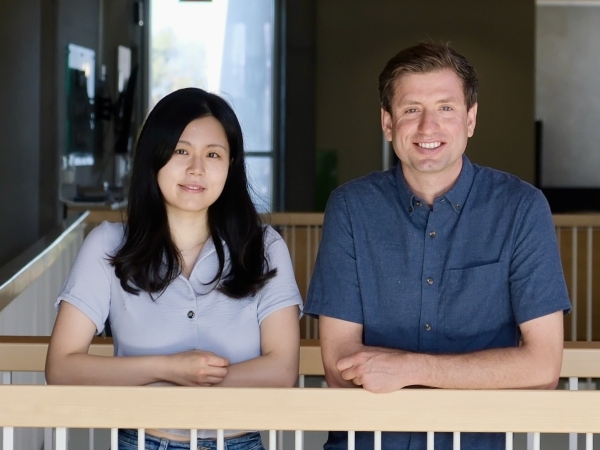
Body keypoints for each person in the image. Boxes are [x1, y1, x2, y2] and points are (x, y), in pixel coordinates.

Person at [304, 42, 571, 450]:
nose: (428, 127)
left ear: (470, 119)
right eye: (411, 109)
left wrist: (407, 368)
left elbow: (543, 366)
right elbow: (342, 366)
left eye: (446, 107)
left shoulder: (521, 208)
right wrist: (470, 375)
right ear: (388, 123)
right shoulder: (351, 208)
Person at [46, 87, 302, 450]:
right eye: (181, 150)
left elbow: (281, 371)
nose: (196, 168)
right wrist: (168, 368)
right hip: (144, 441)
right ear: (155, 156)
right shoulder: (108, 245)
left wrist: (175, 391)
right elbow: (62, 368)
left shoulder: (265, 246)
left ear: (231, 165)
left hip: (240, 442)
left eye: (213, 154)